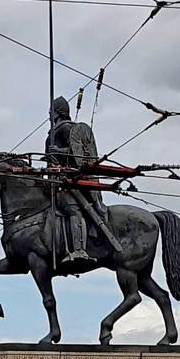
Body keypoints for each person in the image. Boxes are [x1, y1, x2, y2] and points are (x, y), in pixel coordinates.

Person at [45, 96, 107, 263]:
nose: (49, 113)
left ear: (58, 112)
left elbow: (77, 154)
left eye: (51, 110)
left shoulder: (66, 129)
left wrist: (57, 150)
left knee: (72, 209)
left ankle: (79, 250)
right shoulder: (55, 130)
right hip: (58, 180)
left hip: (72, 181)